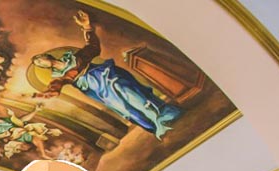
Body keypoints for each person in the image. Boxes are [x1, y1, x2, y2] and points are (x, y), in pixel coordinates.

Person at [30, 11, 180, 139]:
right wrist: (49, 92)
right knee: (124, 108)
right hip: (98, 90)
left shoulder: (75, 57)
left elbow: (93, 47)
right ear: (43, 67)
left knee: (133, 96)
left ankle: (162, 117)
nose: (41, 62)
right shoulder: (59, 77)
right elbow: (57, 85)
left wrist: (87, 27)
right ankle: (154, 127)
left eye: (40, 59)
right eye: (39, 64)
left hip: (107, 76)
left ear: (46, 56)